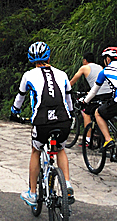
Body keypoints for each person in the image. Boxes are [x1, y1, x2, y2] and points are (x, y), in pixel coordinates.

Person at [10, 41, 74, 205]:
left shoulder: (28, 75)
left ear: (31, 59)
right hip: (64, 120)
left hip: (42, 122)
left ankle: (32, 193)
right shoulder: (62, 74)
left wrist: (14, 113)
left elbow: (20, 98)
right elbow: (68, 100)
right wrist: (72, 114)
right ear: (49, 57)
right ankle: (67, 184)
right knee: (60, 149)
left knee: (35, 151)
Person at [81, 46, 117, 148]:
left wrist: (85, 101)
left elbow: (94, 91)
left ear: (108, 59)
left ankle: (108, 140)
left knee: (98, 113)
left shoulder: (105, 71)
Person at [69, 51, 112, 136]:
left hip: (98, 93)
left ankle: (88, 138)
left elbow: (72, 81)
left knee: (86, 112)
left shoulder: (84, 67)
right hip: (109, 93)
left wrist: (64, 89)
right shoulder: (100, 67)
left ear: (85, 60)